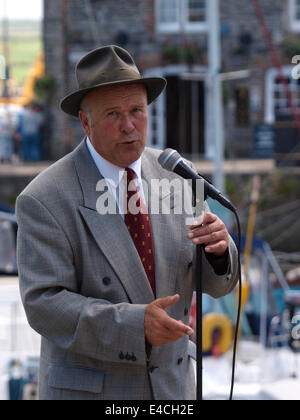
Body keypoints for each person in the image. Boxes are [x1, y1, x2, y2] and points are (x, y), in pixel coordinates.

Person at [16, 45, 239, 401]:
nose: (129, 126)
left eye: (137, 111)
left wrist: (219, 252)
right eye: (113, 114)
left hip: (172, 391)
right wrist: (135, 326)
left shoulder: (178, 176)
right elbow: (44, 304)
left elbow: (214, 284)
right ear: (85, 123)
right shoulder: (43, 198)